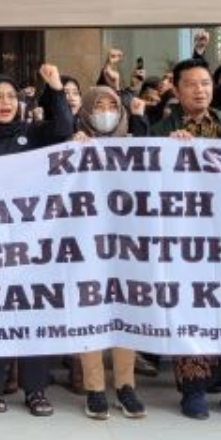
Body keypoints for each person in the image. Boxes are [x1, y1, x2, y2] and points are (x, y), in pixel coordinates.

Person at [151, 59, 221, 420]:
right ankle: (194, 389)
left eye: (205, 83)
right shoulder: (161, 129)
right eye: (191, 84)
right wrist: (168, 148)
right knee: (192, 305)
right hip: (186, 234)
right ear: (177, 90)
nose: (200, 90)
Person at [0, 65, 74, 416]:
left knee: (32, 313)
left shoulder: (32, 133)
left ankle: (35, 390)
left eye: (11, 96)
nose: (5, 102)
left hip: (32, 242)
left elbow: (64, 129)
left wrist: (54, 88)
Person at [70, 85, 148, 419]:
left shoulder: (138, 145)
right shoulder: (73, 142)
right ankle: (95, 388)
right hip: (87, 242)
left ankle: (126, 386)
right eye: (97, 105)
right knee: (92, 310)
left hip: (128, 243)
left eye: (111, 105)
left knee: (125, 308)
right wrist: (73, 151)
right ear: (86, 111)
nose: (104, 110)